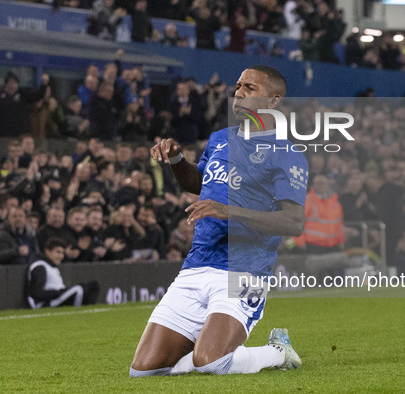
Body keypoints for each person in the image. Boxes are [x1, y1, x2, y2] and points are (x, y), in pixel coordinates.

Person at [130, 66, 308, 377]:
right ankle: (207, 347)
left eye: (250, 89)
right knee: (144, 371)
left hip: (244, 271)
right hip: (196, 265)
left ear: (274, 100)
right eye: (238, 86)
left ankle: (278, 352)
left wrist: (229, 211)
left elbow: (294, 222)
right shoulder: (220, 139)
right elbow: (198, 183)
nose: (238, 94)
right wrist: (176, 159)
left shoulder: (285, 153)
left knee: (211, 362)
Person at [26, 238, 100, 309]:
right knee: (79, 289)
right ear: (47, 251)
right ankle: (78, 312)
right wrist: (58, 292)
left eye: (63, 253)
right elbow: (36, 292)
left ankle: (89, 310)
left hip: (58, 297)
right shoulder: (40, 266)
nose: (61, 256)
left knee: (93, 285)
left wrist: (61, 292)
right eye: (58, 252)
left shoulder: (52, 266)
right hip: (47, 303)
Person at [293, 175, 345, 254]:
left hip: (333, 246)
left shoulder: (335, 202)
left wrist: (341, 241)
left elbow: (339, 224)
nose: (321, 186)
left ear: (328, 186)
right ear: (313, 185)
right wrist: (300, 243)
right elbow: (297, 223)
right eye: (318, 183)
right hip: (314, 246)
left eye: (323, 183)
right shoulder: (307, 201)